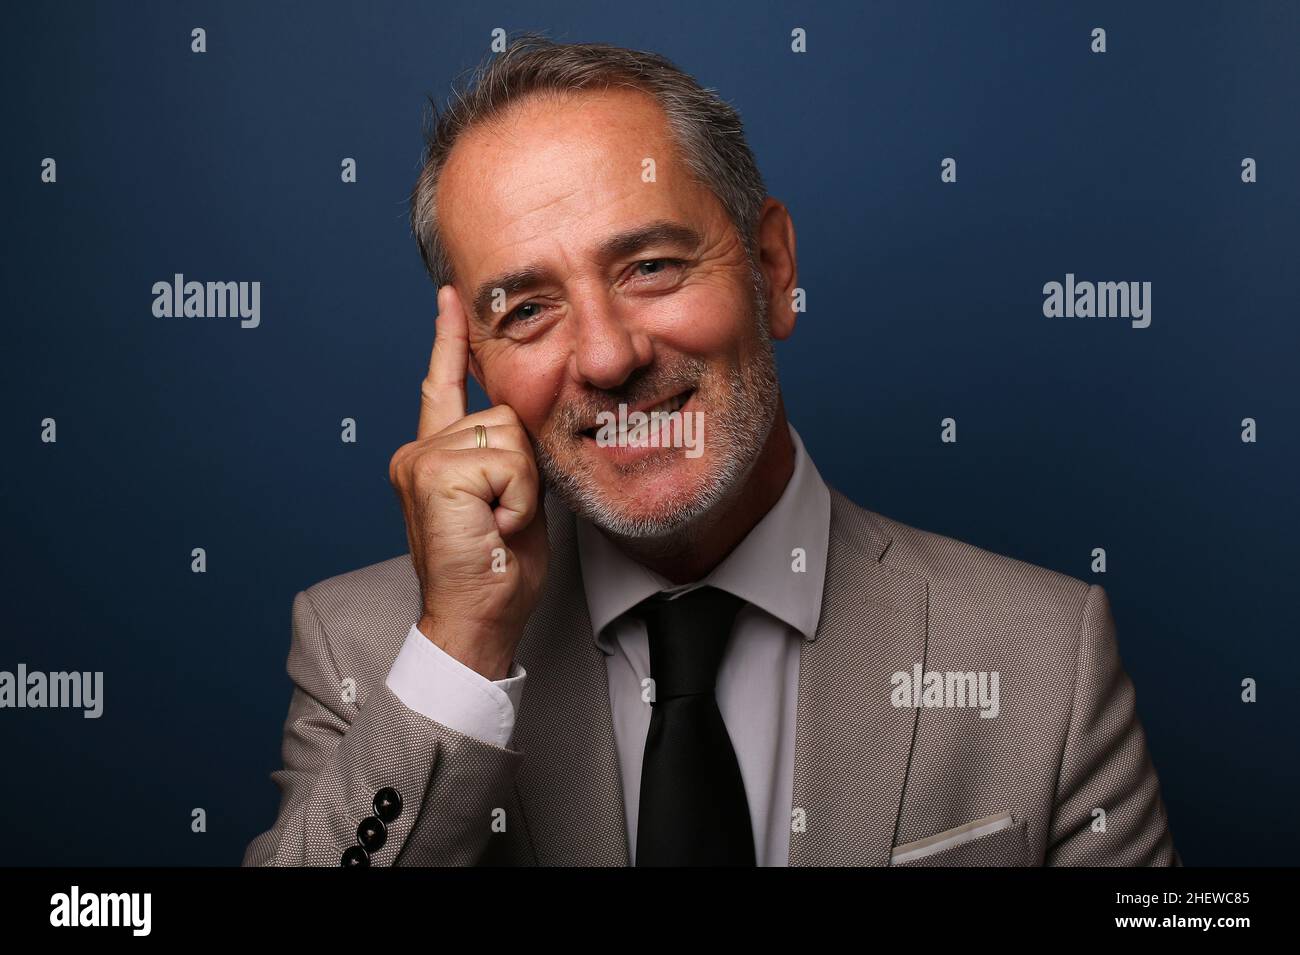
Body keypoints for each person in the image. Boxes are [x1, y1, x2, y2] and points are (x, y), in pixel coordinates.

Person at [244, 36, 1177, 867]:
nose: (608, 356)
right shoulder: (368, 652)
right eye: (527, 311)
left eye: (650, 266)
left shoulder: (1046, 656)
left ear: (773, 268)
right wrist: (462, 650)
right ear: (475, 363)